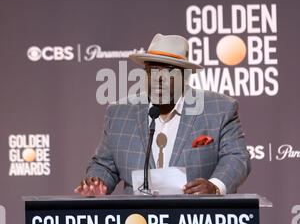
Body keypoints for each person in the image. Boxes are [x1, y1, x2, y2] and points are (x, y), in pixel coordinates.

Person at [75, 33, 250, 196]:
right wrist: (97, 182)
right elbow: (104, 165)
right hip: (136, 221)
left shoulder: (219, 109)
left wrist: (215, 186)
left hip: (195, 220)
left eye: (168, 71)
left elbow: (236, 157)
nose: (159, 78)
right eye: (152, 70)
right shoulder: (119, 113)